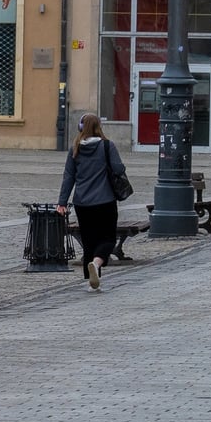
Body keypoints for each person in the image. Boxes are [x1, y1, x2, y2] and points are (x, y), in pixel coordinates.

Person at [56, 114, 126, 292]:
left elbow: (68, 177)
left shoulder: (75, 148)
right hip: (105, 201)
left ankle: (92, 283)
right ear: (99, 126)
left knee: (89, 242)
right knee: (108, 239)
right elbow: (119, 169)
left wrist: (62, 202)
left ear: (81, 128)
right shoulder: (107, 145)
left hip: (82, 203)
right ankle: (96, 263)